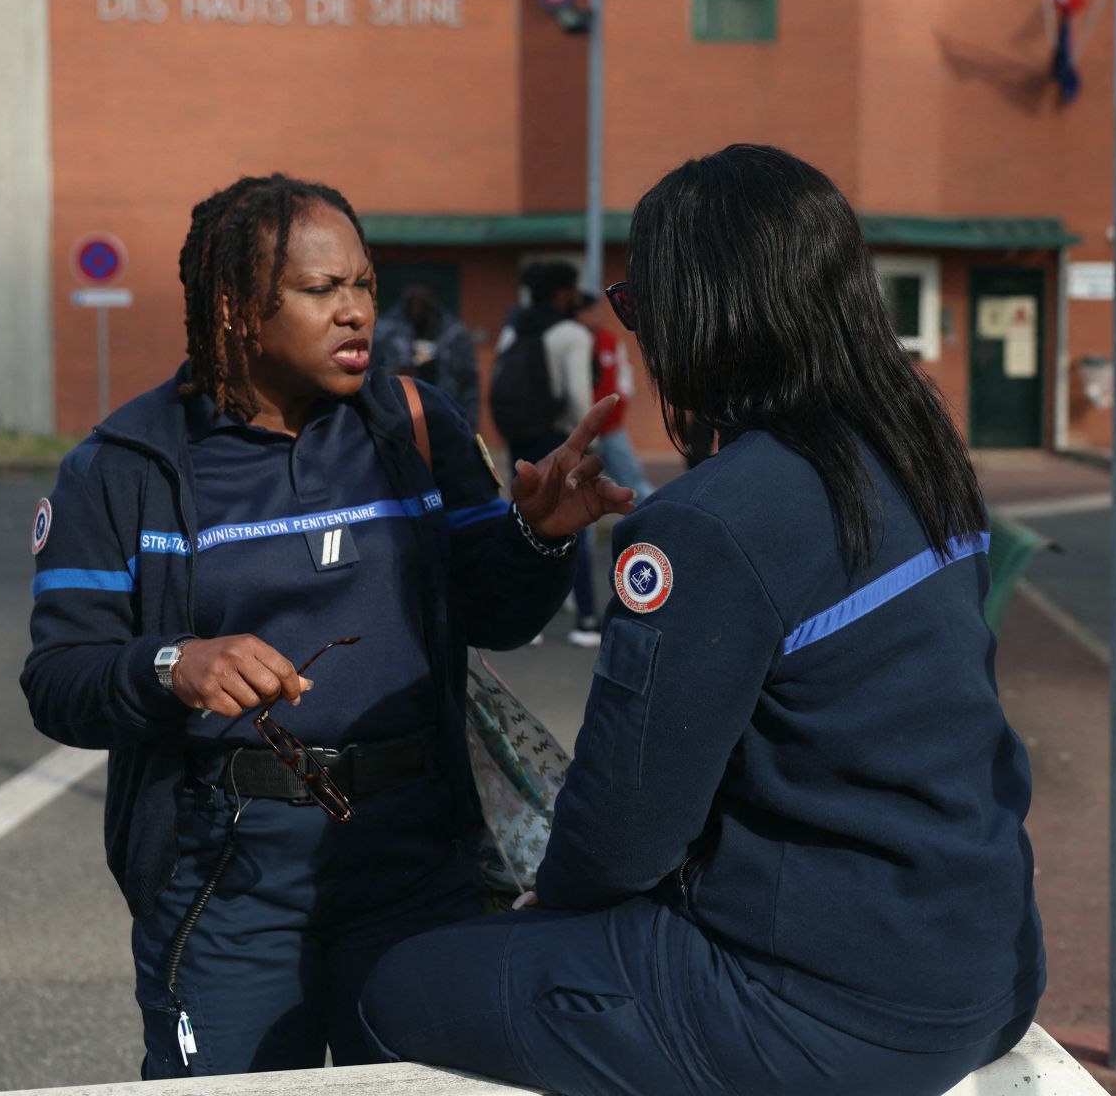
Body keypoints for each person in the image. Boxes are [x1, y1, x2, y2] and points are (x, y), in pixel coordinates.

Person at [360, 145, 1046, 1096]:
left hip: (828, 1012)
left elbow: (625, 831)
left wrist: (544, 905)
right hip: (988, 966)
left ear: (704, 317)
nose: (640, 334)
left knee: (399, 987)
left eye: (640, 308)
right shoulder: (921, 457)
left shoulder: (707, 520)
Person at [22, 173, 632, 1078]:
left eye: (364, 287)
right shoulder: (123, 467)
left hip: (415, 865)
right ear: (234, 309)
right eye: (320, 291)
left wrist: (535, 542)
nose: (356, 314)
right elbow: (58, 679)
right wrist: (172, 665)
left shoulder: (416, 424)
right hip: (226, 881)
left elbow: (494, 618)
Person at [493, 262, 601, 646]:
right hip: (557, 437)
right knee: (570, 525)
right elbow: (577, 395)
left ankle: (529, 621)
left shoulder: (513, 328)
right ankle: (587, 619)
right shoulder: (570, 333)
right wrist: (590, 442)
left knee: (523, 520)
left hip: (521, 437)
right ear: (561, 293)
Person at [573, 291, 654, 499]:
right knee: (579, 487)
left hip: (610, 428)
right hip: (579, 430)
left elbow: (623, 380)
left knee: (632, 480)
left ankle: (654, 520)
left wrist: (617, 408)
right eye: (591, 311)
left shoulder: (609, 340)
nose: (597, 316)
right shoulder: (573, 340)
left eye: (598, 310)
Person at [374, 283, 480, 430]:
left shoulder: (454, 333)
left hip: (446, 419)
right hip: (398, 418)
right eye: (413, 303)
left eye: (423, 304)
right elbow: (370, 374)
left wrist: (471, 424)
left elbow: (469, 382)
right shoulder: (387, 331)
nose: (417, 310)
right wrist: (393, 375)